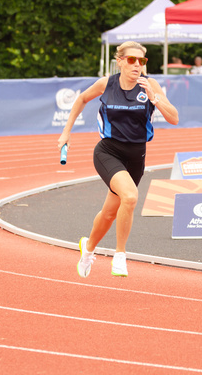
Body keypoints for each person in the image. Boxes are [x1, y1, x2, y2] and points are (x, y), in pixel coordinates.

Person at [57, 41, 179, 278]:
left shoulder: (150, 85)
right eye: (131, 60)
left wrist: (155, 98)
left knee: (110, 212)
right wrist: (66, 132)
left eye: (141, 61)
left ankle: (88, 248)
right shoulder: (107, 84)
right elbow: (82, 99)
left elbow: (174, 118)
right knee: (131, 197)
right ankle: (120, 255)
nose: (137, 65)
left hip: (136, 157)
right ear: (120, 61)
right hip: (108, 152)